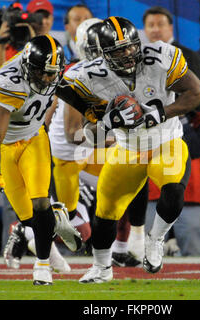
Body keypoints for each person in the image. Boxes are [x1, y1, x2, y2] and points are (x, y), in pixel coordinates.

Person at [63, 16, 200, 283]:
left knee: (174, 190)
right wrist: (109, 121)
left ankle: (156, 239)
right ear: (104, 55)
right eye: (118, 51)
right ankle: (102, 268)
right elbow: (87, 136)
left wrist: (158, 114)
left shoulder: (161, 56)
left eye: (130, 47)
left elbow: (198, 94)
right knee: (105, 213)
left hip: (166, 141)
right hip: (128, 148)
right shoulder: (89, 76)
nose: (128, 54)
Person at [49, 19, 148, 268]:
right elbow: (73, 133)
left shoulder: (121, 76)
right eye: (108, 49)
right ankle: (26, 231)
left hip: (90, 151)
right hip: (70, 157)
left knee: (135, 168)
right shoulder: (78, 75)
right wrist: (113, 135)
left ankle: (125, 246)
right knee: (79, 234)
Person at [0, 34, 82, 285]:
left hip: (35, 138)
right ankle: (55, 223)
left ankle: (41, 265)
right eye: (44, 73)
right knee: (28, 218)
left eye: (54, 73)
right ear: (28, 67)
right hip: (6, 145)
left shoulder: (55, 73)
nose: (49, 79)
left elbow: (71, 96)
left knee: (40, 203)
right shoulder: (8, 82)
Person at [142, 5, 200, 256]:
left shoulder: (199, 119)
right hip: (145, 170)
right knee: (143, 245)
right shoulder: (134, 61)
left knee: (193, 240)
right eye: (150, 24)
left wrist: (173, 113)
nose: (156, 29)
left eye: (160, 24)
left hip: (186, 178)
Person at [0, 0, 54, 73]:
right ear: (27, 18)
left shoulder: (56, 49)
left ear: (52, 19)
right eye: (37, 17)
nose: (42, 22)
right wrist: (1, 44)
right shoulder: (14, 45)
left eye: (46, 16)